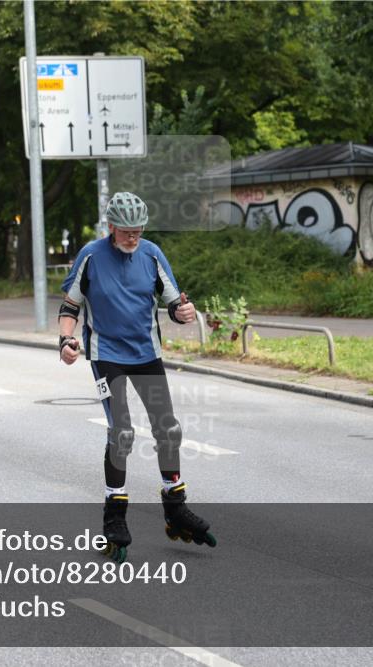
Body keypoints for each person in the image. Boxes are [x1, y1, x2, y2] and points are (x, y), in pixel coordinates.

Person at [58, 191, 216, 564]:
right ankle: (114, 518)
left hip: (146, 353)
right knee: (122, 432)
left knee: (169, 429)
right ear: (111, 227)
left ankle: (175, 506)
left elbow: (173, 301)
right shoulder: (92, 256)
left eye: (139, 230)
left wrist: (183, 312)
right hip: (106, 355)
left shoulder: (152, 253)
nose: (133, 237)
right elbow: (70, 306)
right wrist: (66, 340)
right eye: (127, 231)